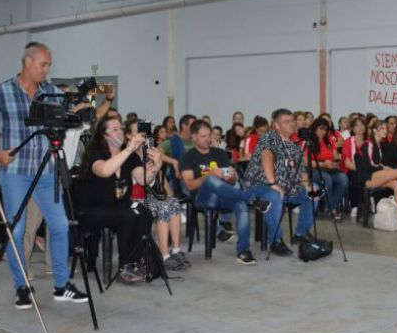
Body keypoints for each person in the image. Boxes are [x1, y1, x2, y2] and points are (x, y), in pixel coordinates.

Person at [0, 42, 89, 307]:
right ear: (27, 61)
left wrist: (74, 114)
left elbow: (62, 123)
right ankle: (22, 287)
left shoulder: (51, 93)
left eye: (49, 64)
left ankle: (62, 285)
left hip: (45, 171)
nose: (47, 69)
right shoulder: (1, 92)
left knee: (60, 225)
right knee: (16, 231)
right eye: (43, 64)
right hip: (15, 172)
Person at [180, 120, 270, 265]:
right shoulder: (187, 156)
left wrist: (230, 176)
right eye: (203, 136)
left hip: (224, 194)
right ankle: (252, 198)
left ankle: (243, 251)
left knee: (241, 204)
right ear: (194, 137)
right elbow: (190, 185)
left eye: (209, 135)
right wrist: (210, 175)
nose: (208, 139)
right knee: (210, 180)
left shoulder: (220, 153)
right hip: (202, 198)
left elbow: (231, 181)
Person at [77, 117, 155, 284]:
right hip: (93, 208)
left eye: (120, 128)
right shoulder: (96, 154)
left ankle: (133, 262)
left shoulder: (131, 157)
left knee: (144, 212)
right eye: (114, 129)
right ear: (104, 135)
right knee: (128, 214)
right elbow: (104, 170)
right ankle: (125, 266)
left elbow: (143, 180)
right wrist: (127, 150)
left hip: (119, 205)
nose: (119, 132)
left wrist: (156, 166)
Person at [243, 109, 317, 256]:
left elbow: (301, 171)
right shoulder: (270, 137)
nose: (291, 124)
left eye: (292, 121)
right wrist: (272, 183)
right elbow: (267, 156)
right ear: (276, 125)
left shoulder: (294, 146)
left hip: (286, 188)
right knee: (275, 195)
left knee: (314, 192)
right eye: (286, 121)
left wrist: (308, 186)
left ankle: (301, 233)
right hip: (259, 185)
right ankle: (275, 240)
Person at [123, 121, 188, 272]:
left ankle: (176, 250)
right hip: (132, 200)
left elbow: (160, 185)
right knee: (164, 206)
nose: (143, 136)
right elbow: (141, 179)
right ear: (128, 136)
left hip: (147, 197)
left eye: (144, 134)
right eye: (138, 133)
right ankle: (164, 255)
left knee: (173, 202)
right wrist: (152, 167)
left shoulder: (147, 154)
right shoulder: (127, 155)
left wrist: (157, 166)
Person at [356, 120, 397, 230]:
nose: (385, 131)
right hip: (367, 177)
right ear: (375, 131)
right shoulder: (369, 144)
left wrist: (385, 168)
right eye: (382, 129)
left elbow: (377, 162)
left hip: (375, 175)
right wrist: (384, 169)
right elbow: (369, 164)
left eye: (385, 128)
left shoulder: (379, 145)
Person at [305, 116, 349, 220]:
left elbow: (335, 157)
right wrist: (324, 164)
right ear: (315, 128)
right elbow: (306, 162)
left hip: (330, 168)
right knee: (327, 179)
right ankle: (332, 210)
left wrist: (335, 163)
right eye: (321, 129)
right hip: (315, 169)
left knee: (344, 180)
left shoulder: (329, 140)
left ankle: (330, 207)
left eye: (325, 130)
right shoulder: (309, 141)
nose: (323, 132)